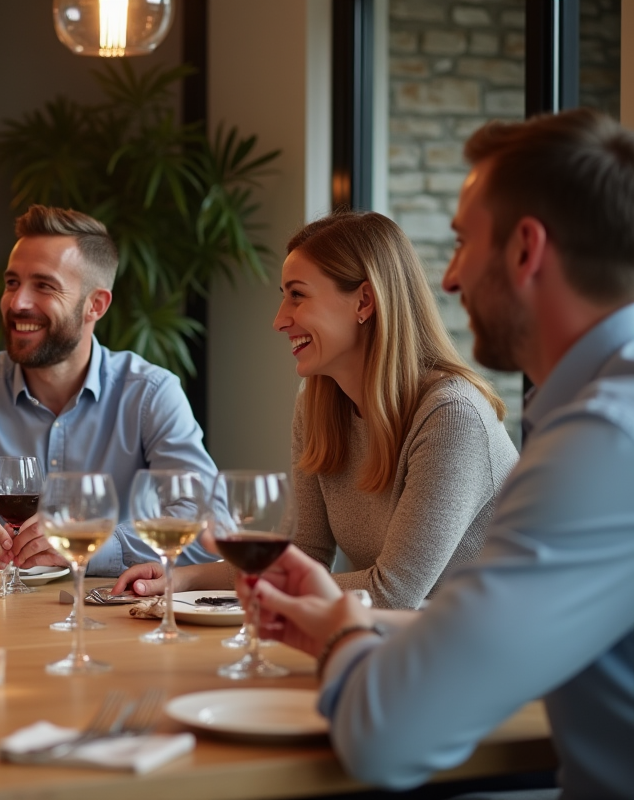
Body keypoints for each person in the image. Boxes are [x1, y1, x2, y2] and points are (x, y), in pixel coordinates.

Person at [247, 108, 634, 798]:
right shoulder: (591, 418)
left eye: (461, 244)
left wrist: (341, 637)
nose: (448, 279)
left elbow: (386, 735)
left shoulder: (603, 444)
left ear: (525, 250)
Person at [115, 212, 517, 609]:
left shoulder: (451, 416)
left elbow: (392, 594)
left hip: (486, 652)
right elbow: (304, 555)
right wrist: (179, 577)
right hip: (392, 643)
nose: (279, 320)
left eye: (298, 295)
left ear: (364, 300)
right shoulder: (317, 404)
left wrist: (261, 590)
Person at [0, 204, 219, 577]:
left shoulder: (150, 393)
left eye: (43, 285)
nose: (17, 303)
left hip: (111, 617)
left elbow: (208, 523)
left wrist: (90, 544)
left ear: (95, 305)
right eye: (12, 282)